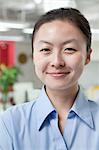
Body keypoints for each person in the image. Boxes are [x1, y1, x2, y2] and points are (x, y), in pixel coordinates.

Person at [0, 7, 99, 150]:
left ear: (88, 56)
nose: (57, 62)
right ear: (34, 55)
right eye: (46, 49)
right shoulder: (9, 123)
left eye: (69, 49)